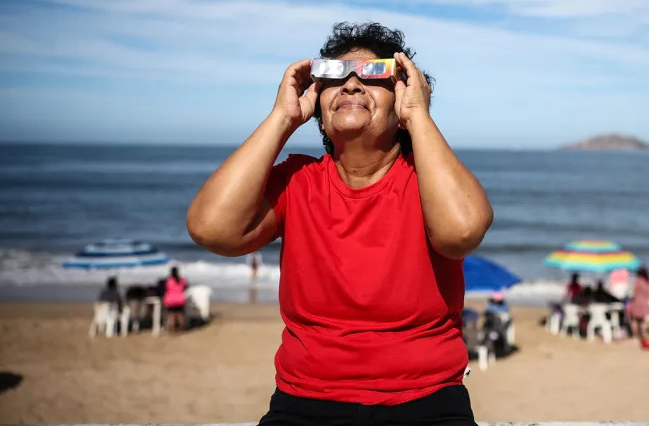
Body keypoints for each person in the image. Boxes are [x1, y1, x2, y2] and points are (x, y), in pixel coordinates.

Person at [186, 22, 493, 425]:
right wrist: (282, 118)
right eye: (335, 75)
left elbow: (462, 232)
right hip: (305, 400)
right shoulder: (298, 181)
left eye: (373, 74)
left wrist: (419, 118)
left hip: (428, 400)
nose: (350, 85)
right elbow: (211, 229)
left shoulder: (427, 182)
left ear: (404, 97)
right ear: (317, 102)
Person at [625, 267, 649, 350]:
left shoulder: (638, 281)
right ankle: (643, 336)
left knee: (634, 320)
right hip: (645, 303)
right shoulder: (648, 282)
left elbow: (634, 293)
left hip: (637, 302)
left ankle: (635, 336)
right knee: (642, 321)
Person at [162, 266, 189, 333]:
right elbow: (185, 287)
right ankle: (182, 329)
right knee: (180, 314)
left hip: (170, 300)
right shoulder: (182, 280)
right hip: (180, 299)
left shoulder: (169, 280)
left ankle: (172, 329)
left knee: (172, 315)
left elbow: (165, 289)